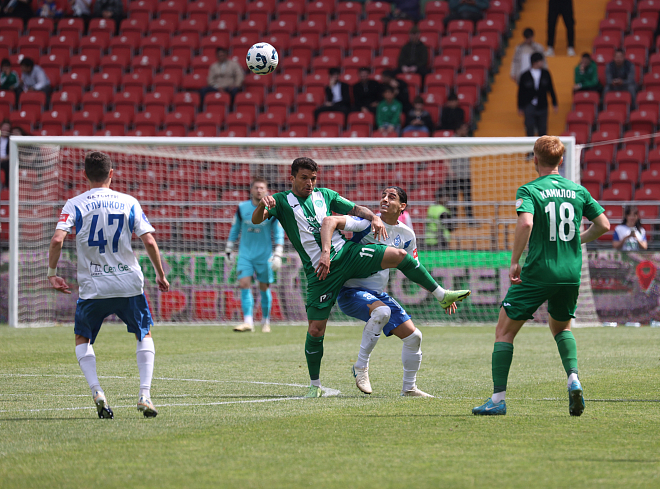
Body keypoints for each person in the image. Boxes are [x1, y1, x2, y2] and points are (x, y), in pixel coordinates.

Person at [251, 157, 470, 398]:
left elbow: (356, 209)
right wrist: (263, 205)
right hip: (321, 272)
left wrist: (374, 217)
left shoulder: (326, 195)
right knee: (315, 330)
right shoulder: (281, 201)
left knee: (399, 262)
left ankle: (441, 297)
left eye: (313, 178)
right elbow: (257, 219)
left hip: (347, 255)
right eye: (304, 178)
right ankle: (315, 386)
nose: (309, 183)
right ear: (291, 178)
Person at [472, 136, 610, 417]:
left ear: (535, 159)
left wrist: (514, 261)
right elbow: (604, 225)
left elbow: (525, 223)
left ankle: (497, 399)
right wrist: (577, 240)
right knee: (562, 329)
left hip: (539, 271)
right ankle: (573, 379)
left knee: (504, 331)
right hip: (570, 273)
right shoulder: (578, 190)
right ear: (561, 160)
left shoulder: (530, 189)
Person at [48, 151, 170, 419]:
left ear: (84, 175)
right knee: (143, 333)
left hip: (94, 287)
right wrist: (160, 274)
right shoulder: (128, 202)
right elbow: (149, 240)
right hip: (129, 284)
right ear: (111, 174)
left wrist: (52, 273)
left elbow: (57, 240)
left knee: (83, 338)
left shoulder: (75, 204)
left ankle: (97, 391)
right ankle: (145, 394)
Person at [322, 186, 433, 397]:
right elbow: (331, 221)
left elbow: (413, 267)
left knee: (414, 337)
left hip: (378, 294)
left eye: (391, 197)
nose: (385, 199)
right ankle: (360, 366)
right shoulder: (365, 223)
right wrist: (326, 252)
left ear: (402, 206)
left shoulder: (407, 234)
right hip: (350, 291)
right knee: (382, 312)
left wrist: (438, 293)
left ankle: (409, 388)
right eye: (383, 195)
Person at [225, 178, 285, 333]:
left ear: (266, 191)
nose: (259, 190)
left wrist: (278, 253)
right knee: (244, 283)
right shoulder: (242, 208)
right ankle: (248, 321)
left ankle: (265, 320)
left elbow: (278, 232)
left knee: (264, 287)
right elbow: (235, 229)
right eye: (256, 187)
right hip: (245, 254)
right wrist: (229, 248)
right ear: (251, 190)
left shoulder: (272, 209)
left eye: (262, 188)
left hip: (264, 256)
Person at [517, 52, 558, 137]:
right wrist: (520, 106)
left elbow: (551, 89)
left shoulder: (546, 73)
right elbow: (521, 92)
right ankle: (530, 146)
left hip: (542, 105)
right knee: (529, 127)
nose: (542, 63)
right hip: (529, 105)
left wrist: (554, 103)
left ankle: (541, 146)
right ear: (535, 62)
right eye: (541, 61)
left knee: (542, 129)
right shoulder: (525, 75)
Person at [0, 120, 9, 188]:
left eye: (7, 129)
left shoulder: (11, 140)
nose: (5, 130)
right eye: (4, 128)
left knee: (7, 164)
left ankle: (6, 185)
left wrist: (4, 158)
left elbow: (12, 153)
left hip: (6, 160)